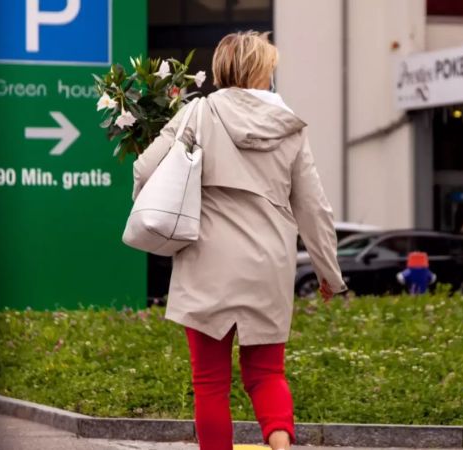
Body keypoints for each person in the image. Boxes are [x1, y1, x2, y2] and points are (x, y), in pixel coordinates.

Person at [132, 31, 347, 450]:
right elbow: (314, 209)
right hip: (268, 264)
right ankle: (281, 446)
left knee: (210, 383)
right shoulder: (289, 127)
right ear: (263, 72)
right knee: (267, 375)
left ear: (221, 69)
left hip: (206, 263)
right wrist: (329, 275)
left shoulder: (196, 114)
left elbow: (143, 170)